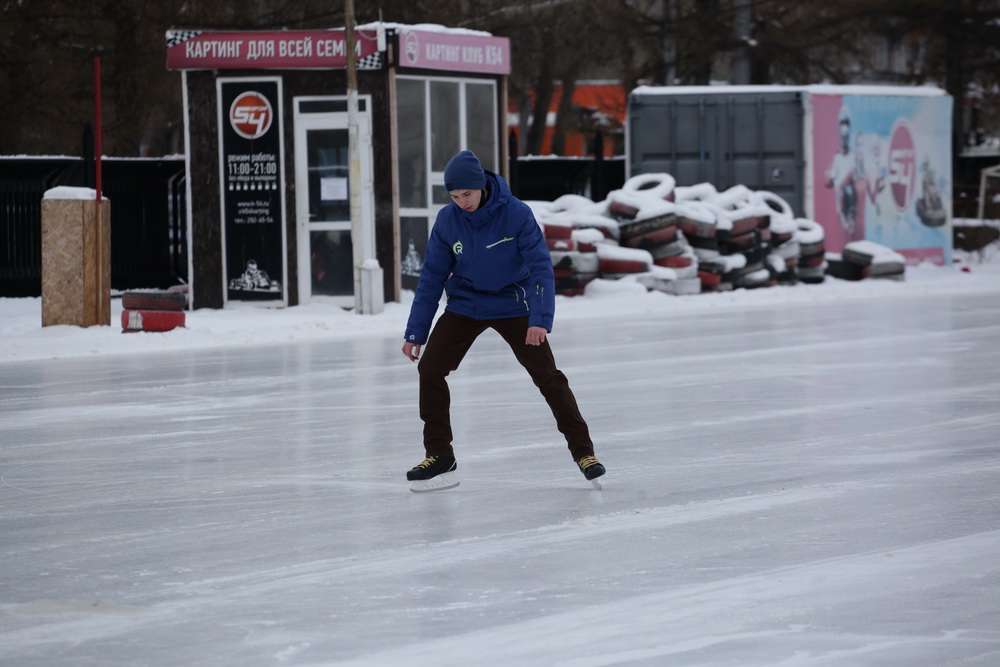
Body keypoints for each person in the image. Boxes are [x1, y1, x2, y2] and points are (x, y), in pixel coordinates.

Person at [401, 150, 604, 491]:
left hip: (515, 303)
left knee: (548, 377)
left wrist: (539, 318)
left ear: (481, 186)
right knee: (430, 369)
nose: (462, 201)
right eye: (454, 196)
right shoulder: (447, 220)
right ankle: (440, 456)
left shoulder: (516, 214)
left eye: (467, 193)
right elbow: (431, 278)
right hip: (465, 304)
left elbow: (541, 268)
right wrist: (415, 331)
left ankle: (584, 453)